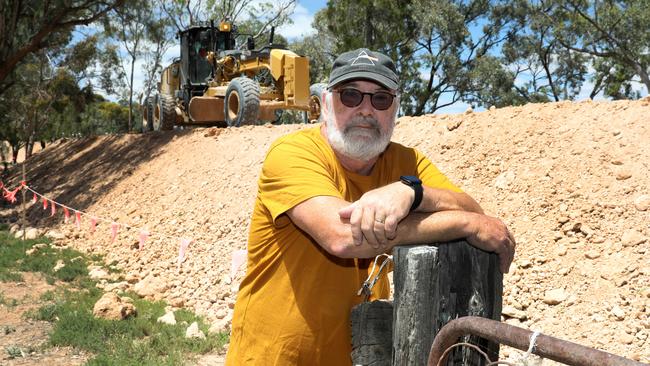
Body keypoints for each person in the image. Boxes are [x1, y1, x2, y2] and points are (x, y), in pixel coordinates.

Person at [225, 48, 516, 365]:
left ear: (395, 109)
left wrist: (411, 193)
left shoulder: (406, 163)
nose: (365, 109)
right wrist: (463, 226)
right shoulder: (293, 153)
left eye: (380, 99)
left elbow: (474, 211)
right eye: (350, 96)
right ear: (325, 103)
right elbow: (342, 236)